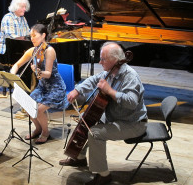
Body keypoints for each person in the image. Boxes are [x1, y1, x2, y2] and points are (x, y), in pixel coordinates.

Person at [59, 42, 148, 185]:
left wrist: (110, 91)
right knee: (86, 119)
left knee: (96, 133)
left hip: (133, 123)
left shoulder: (131, 76)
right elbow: (93, 80)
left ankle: (104, 175)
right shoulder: (111, 71)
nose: (100, 62)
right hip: (116, 116)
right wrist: (77, 90)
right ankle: (80, 158)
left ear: (115, 60)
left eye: (103, 59)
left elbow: (131, 102)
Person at [10, 24, 68, 144]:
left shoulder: (49, 51)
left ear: (43, 35)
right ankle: (38, 129)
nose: (32, 38)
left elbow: (48, 73)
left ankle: (45, 132)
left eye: (34, 35)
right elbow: (17, 65)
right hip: (43, 87)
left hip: (55, 88)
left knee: (37, 110)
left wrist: (38, 71)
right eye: (30, 36)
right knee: (28, 105)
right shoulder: (33, 51)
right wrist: (12, 75)